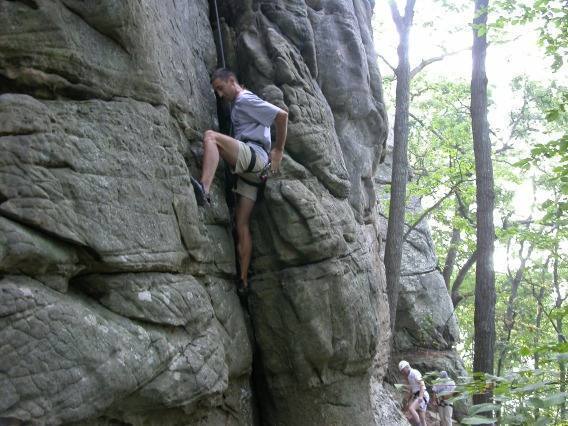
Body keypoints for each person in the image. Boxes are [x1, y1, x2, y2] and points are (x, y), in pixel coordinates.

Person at [191, 68, 288, 293]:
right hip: (252, 174)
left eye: (220, 88)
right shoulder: (238, 105)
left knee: (211, 137)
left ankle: (203, 188)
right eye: (216, 91)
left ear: (232, 81)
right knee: (241, 222)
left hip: (255, 158)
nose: (219, 95)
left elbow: (281, 115)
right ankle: (243, 281)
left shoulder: (244, 99)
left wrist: (279, 150)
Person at [399, 360, 430, 426]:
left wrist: (421, 396)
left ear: (407, 367)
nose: (403, 372)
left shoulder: (414, 372)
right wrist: (409, 399)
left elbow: (422, 384)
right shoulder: (409, 376)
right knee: (422, 418)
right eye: (401, 371)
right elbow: (412, 390)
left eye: (403, 370)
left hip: (423, 395)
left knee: (411, 408)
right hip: (419, 395)